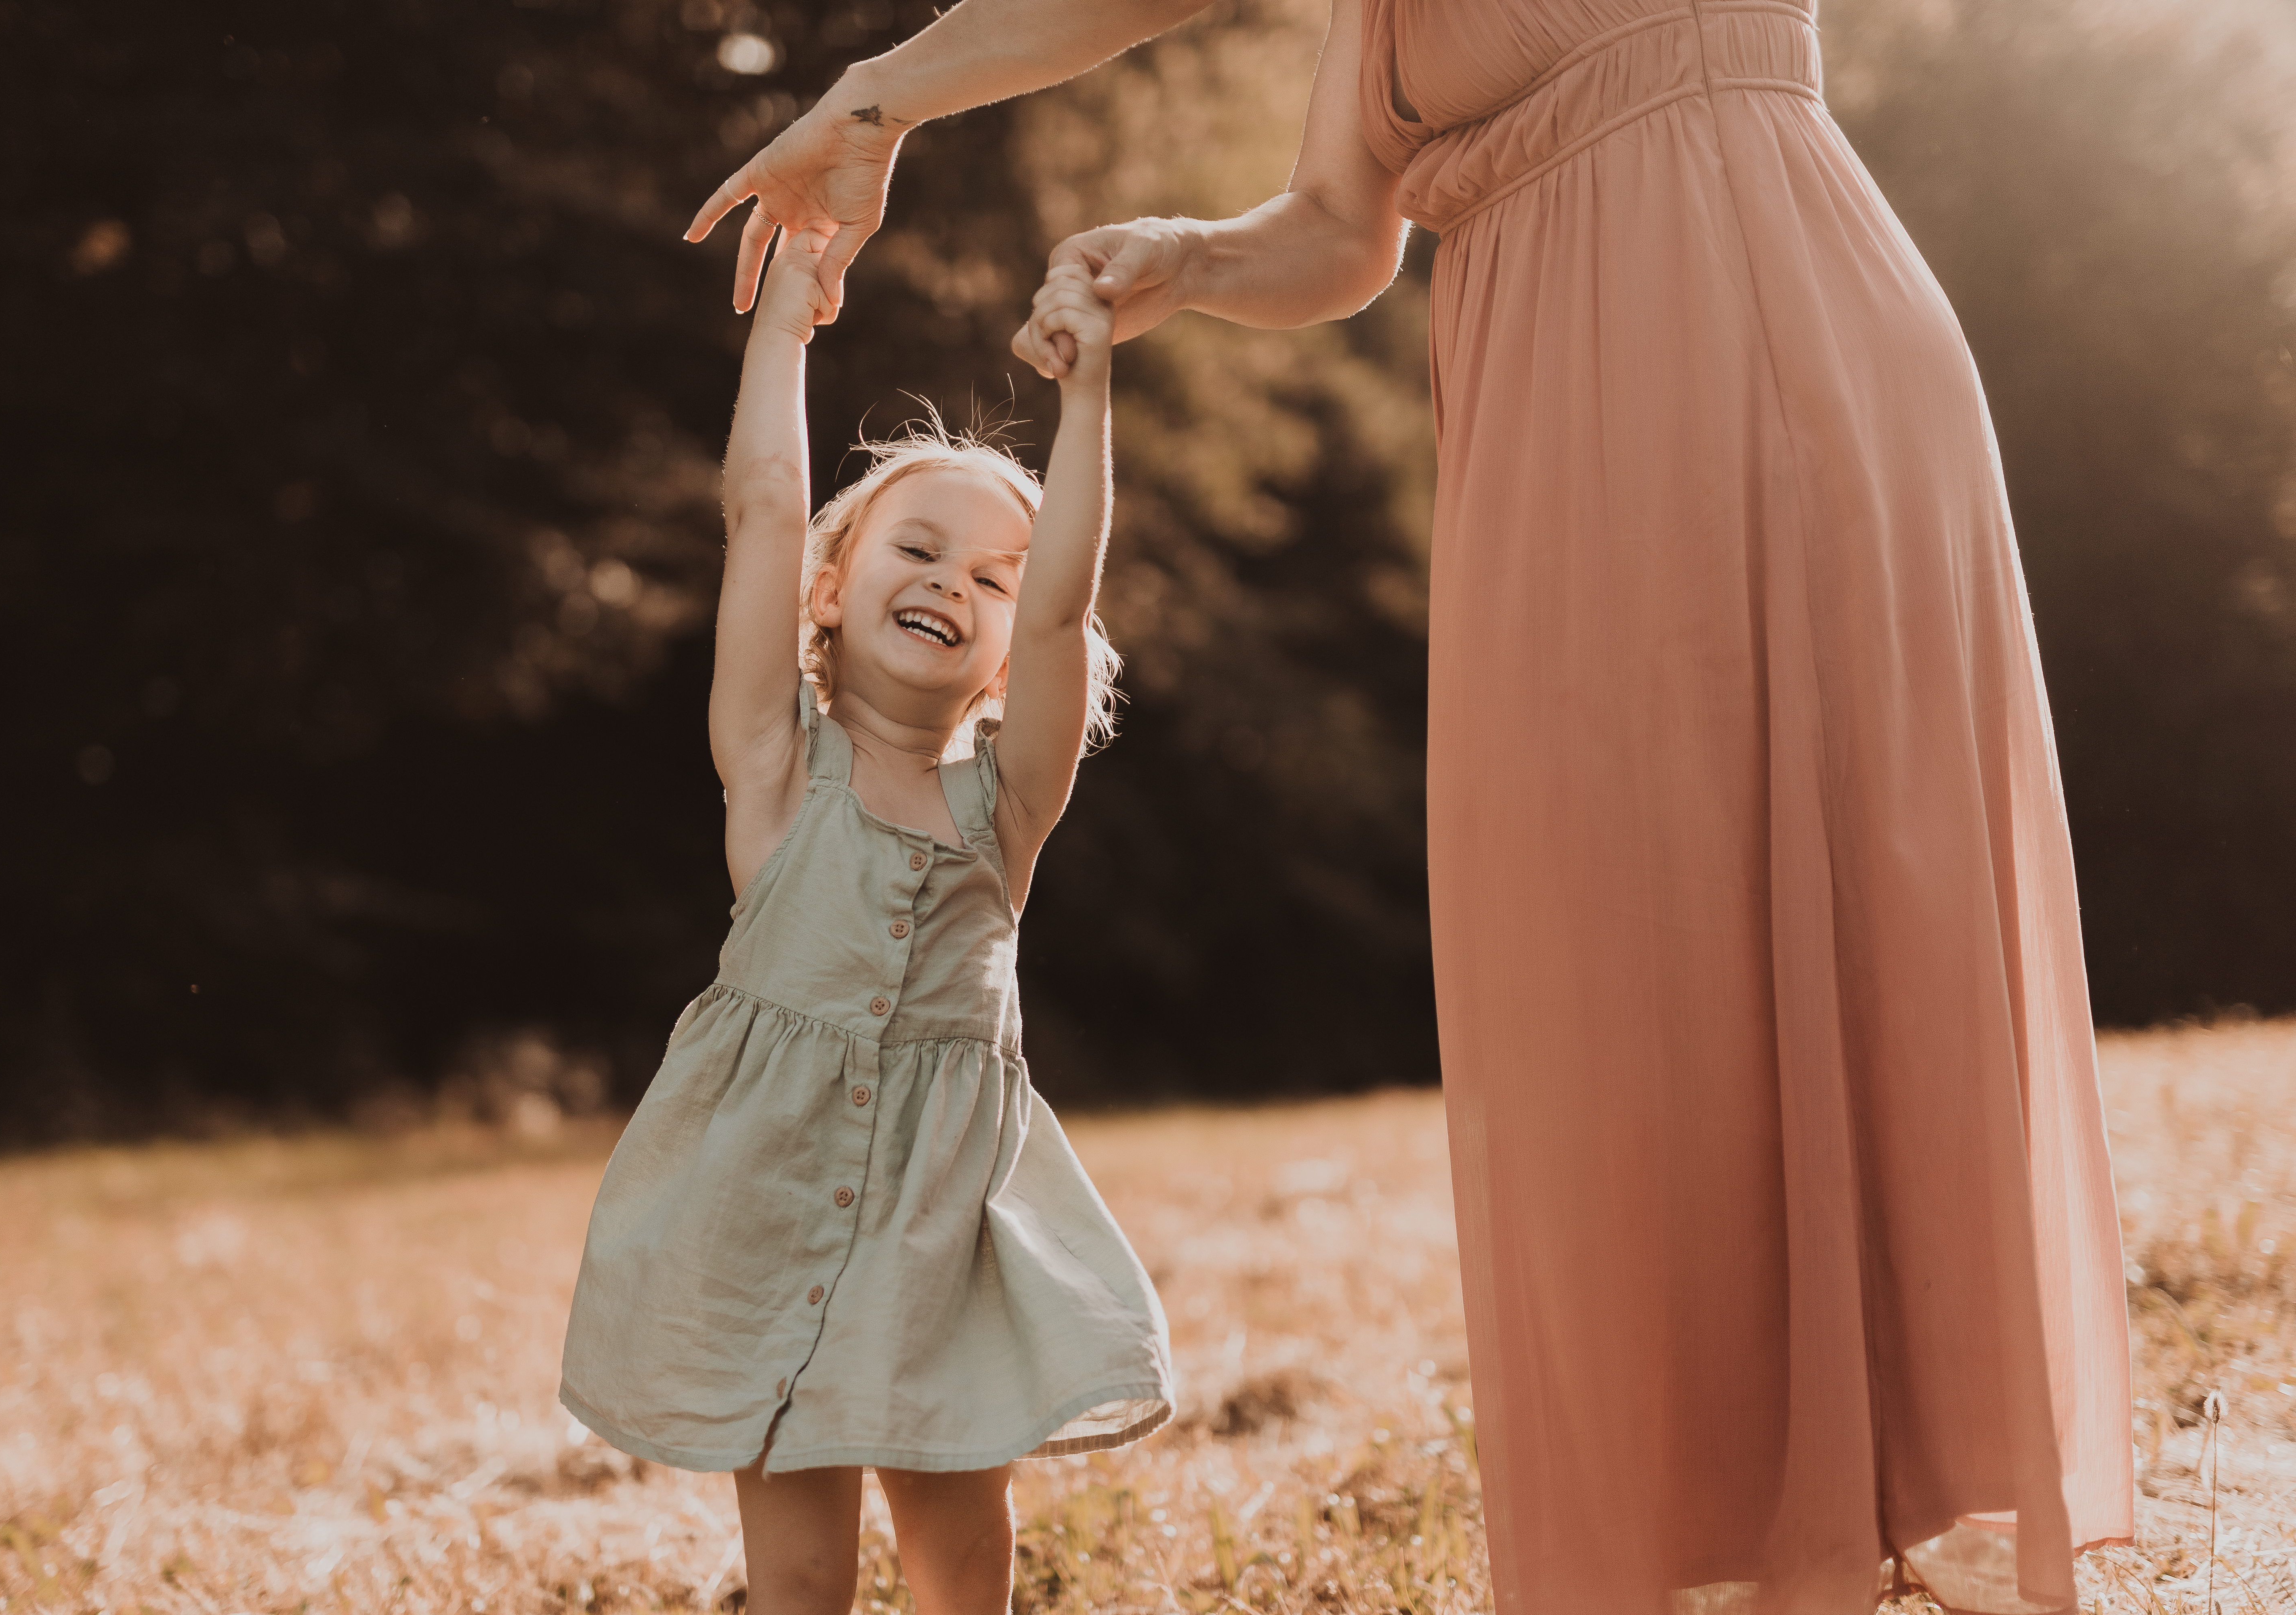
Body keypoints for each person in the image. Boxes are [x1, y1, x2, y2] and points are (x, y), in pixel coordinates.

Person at [693, 1, 2142, 1612]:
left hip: (1757, 327)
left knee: (1807, 905)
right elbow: (1339, 229)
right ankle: (1742, 1533)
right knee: (1611, 969)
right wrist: (1191, 258)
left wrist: (882, 96)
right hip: (1551, 417)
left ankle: (1869, 1506)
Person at [558, 227, 1171, 1615]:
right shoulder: (772, 764)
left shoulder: (1007, 805)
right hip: (763, 1214)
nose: (955, 581)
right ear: (833, 590)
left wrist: (1088, 399)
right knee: (800, 1570)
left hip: (935, 1233)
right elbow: (769, 506)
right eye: (920, 546)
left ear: (1013, 651)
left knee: (962, 1544)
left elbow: (1073, 601)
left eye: (990, 576)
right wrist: (784, 331)